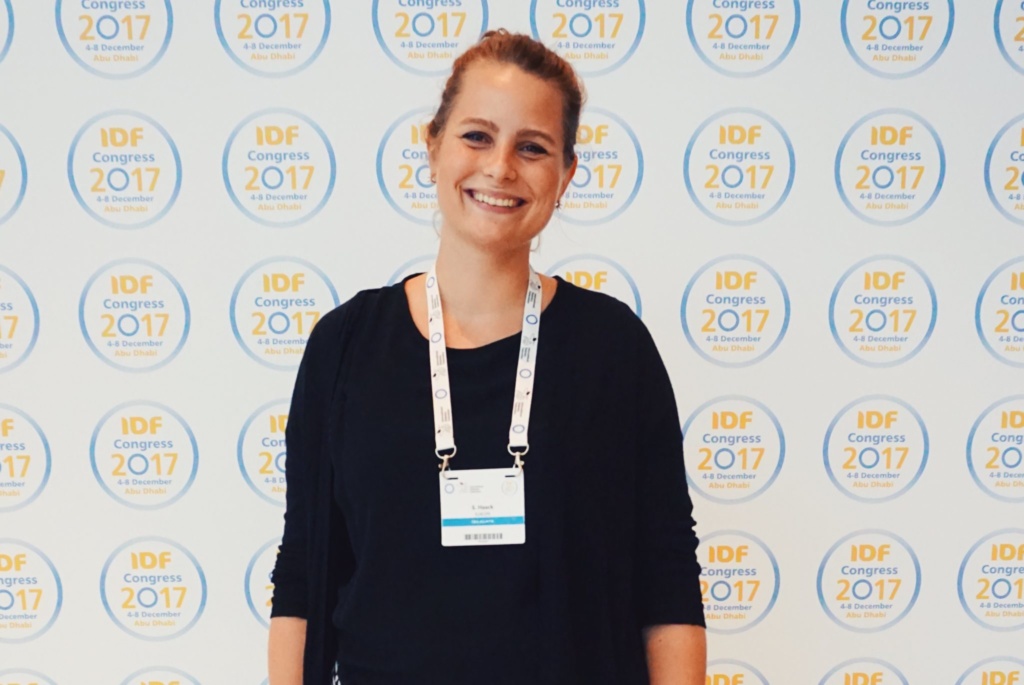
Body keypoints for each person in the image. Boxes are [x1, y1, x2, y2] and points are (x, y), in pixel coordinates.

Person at [267, 29, 706, 685]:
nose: (500, 167)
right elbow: (304, 569)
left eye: (532, 147)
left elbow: (666, 576)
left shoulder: (615, 350)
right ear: (433, 146)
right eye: (477, 136)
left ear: (566, 175)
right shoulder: (345, 347)